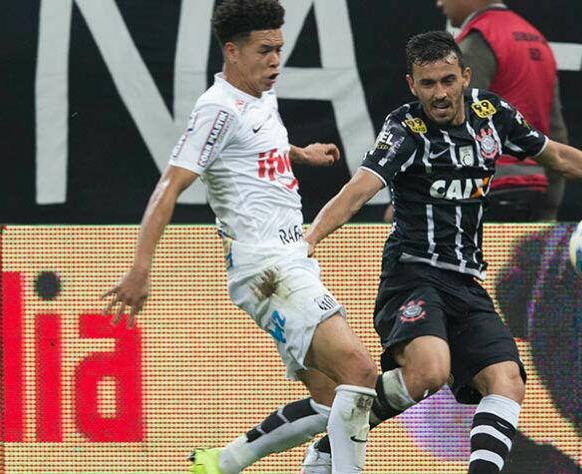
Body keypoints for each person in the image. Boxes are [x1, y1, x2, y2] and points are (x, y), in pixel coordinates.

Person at [298, 31, 582, 473]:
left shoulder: (492, 114)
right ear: (412, 85)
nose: (440, 93)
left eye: (448, 80)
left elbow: (557, 156)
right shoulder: (404, 129)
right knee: (429, 371)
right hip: (413, 275)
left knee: (506, 380)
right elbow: (358, 190)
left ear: (466, 76)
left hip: (466, 281)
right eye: (428, 84)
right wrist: (310, 239)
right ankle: (335, 439)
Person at [99, 1, 378, 473]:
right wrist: (140, 267)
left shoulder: (258, 96)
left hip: (288, 258)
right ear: (232, 51)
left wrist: (298, 153)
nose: (275, 61)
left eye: (279, 50)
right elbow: (169, 185)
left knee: (333, 400)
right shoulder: (217, 109)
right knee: (362, 374)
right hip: (269, 269)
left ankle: (225, 462)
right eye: (264, 51)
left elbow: (254, 143)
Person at [439, 0, 569, 222]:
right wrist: (551, 205)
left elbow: (453, 126)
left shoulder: (476, 42)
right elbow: (556, 132)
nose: (440, 3)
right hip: (535, 190)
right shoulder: (537, 40)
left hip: (486, 192)